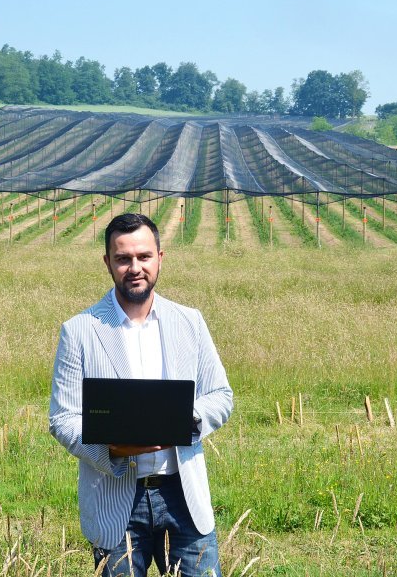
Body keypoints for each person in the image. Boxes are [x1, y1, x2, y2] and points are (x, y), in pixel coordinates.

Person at [49, 212, 233, 577]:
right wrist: (112, 449)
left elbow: (221, 395)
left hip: (184, 497)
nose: (135, 267)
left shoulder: (189, 321)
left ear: (160, 258)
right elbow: (63, 419)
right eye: (123, 258)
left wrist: (184, 420)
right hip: (116, 502)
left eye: (144, 257)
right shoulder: (80, 330)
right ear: (108, 263)